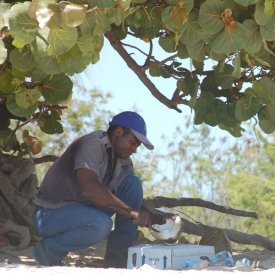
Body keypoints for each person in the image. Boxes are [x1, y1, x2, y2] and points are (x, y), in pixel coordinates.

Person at [32, 111, 165, 268]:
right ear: (118, 132)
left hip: (82, 211)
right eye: (133, 142)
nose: (135, 149)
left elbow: (129, 205)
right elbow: (90, 188)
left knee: (132, 184)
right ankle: (47, 252)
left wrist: (155, 218)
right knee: (101, 225)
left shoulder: (123, 162)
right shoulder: (93, 144)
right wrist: (132, 211)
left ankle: (117, 259)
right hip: (50, 215)